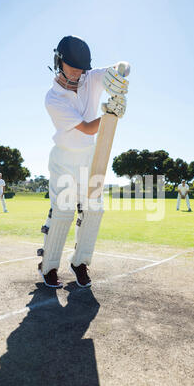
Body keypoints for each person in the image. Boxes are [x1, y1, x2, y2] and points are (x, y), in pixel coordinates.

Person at [37, 35, 129, 288]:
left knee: (94, 209)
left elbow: (120, 68)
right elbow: (88, 128)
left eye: (82, 67)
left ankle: (80, 263)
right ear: (59, 61)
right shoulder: (53, 98)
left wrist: (121, 73)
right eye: (72, 66)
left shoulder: (90, 77)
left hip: (91, 156)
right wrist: (111, 113)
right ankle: (49, 266)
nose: (78, 72)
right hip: (64, 158)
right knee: (64, 210)